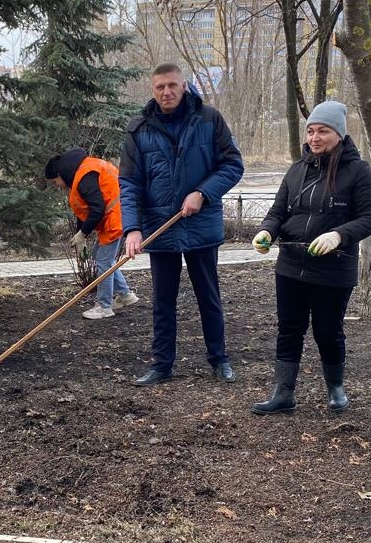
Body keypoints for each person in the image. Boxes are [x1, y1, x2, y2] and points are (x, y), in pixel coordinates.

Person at [249, 100, 371, 415]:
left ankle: (335, 388)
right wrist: (267, 232)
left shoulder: (358, 171)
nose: (315, 137)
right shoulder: (297, 170)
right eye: (310, 131)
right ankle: (283, 393)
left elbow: (369, 218)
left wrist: (339, 235)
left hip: (333, 268)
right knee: (289, 327)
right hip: (291, 264)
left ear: (339, 134)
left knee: (327, 329)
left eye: (323, 131)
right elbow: (278, 211)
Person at [119, 63, 244, 386]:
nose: (167, 92)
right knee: (163, 301)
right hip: (160, 227)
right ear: (153, 89)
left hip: (201, 225)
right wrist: (132, 228)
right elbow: (129, 184)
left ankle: (220, 360)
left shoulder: (208, 119)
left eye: (172, 85)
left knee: (208, 296)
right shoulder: (139, 129)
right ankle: (162, 364)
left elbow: (232, 164)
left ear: (184, 85)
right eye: (160, 87)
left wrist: (202, 193)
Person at [43, 148, 139, 319]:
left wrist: (83, 234)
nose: (57, 185)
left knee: (103, 261)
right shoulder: (81, 172)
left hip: (116, 218)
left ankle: (104, 306)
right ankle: (125, 294)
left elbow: (97, 209)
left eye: (55, 181)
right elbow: (86, 210)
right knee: (100, 257)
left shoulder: (84, 176)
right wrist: (82, 234)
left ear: (60, 173)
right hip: (116, 216)